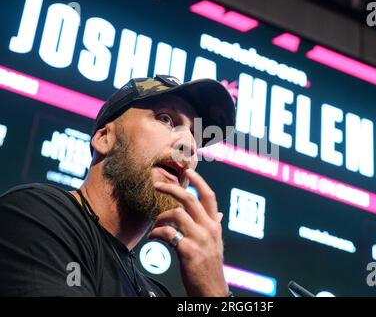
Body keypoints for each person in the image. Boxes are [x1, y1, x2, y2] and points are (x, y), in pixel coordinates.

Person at [0, 75, 236, 297]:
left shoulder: (156, 291)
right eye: (165, 119)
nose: (189, 145)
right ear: (105, 138)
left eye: (195, 135)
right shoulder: (37, 216)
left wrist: (215, 292)